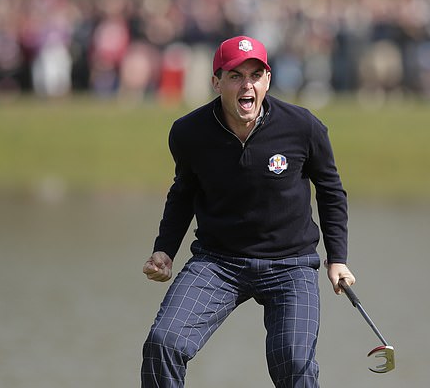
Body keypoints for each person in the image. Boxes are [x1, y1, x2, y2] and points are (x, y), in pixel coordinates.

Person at [141, 35, 356, 388]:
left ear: (268, 80)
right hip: (218, 261)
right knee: (163, 343)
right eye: (236, 76)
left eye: (256, 75)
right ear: (217, 82)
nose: (247, 85)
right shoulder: (188, 132)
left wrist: (338, 258)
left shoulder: (303, 126)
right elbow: (183, 193)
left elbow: (331, 191)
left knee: (294, 362)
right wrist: (164, 249)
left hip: (291, 264)